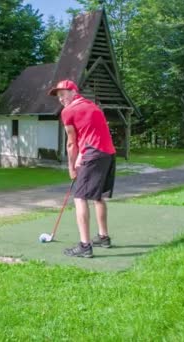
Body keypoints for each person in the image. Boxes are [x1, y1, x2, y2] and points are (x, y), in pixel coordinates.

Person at [48, 79, 116, 258]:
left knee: (80, 197)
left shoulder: (68, 111)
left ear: (73, 91)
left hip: (92, 154)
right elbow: (90, 133)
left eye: (63, 94)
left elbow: (71, 142)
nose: (61, 99)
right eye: (58, 96)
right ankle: (103, 237)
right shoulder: (93, 106)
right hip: (108, 153)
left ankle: (85, 246)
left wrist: (71, 167)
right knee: (98, 196)